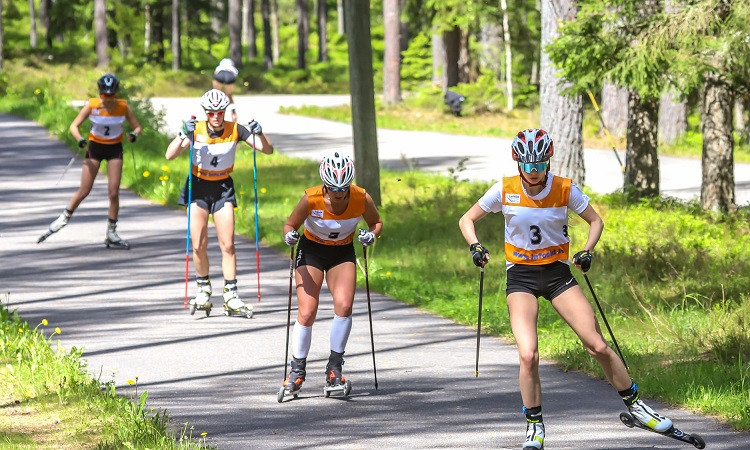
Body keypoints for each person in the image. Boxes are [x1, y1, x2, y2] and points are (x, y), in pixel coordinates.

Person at [458, 128, 672, 450]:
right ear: (518, 163)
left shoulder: (564, 188)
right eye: (527, 166)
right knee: (528, 354)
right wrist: (476, 246)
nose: (533, 172)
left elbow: (595, 221)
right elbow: (467, 220)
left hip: (558, 274)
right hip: (521, 277)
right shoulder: (504, 189)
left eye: (539, 165)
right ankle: (534, 424)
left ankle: (637, 405)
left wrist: (587, 250)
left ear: (548, 161)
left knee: (596, 345)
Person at [279, 151, 383, 396]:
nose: (338, 194)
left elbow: (376, 223)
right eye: (333, 189)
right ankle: (296, 371)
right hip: (311, 251)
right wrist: (289, 236)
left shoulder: (361, 197)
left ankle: (334, 369)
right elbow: (290, 224)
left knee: (345, 306)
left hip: (341, 252)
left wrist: (371, 235)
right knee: (307, 311)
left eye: (343, 189)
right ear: (325, 184)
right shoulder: (311, 198)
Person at [165, 89, 273, 318]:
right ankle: (203, 289)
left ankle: (231, 295)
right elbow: (170, 155)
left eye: (220, 112)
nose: (215, 116)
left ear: (224, 112)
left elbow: (267, 150)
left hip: (223, 188)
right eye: (211, 112)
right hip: (198, 188)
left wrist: (260, 134)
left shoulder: (236, 129)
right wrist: (182, 133)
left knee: (228, 244)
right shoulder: (196, 128)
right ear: (206, 112)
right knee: (198, 244)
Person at [39, 73, 141, 249]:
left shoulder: (123, 107)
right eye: (105, 95)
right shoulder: (92, 105)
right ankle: (64, 218)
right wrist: (79, 138)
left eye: (111, 95)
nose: (108, 99)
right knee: (85, 190)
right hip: (95, 148)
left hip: (114, 149)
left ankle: (111, 231)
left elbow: (137, 126)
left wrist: (134, 134)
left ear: (115, 93)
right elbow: (74, 125)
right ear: (100, 93)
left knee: (114, 192)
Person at [212, 58, 240, 123]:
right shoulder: (233, 69)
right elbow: (235, 76)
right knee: (229, 95)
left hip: (220, 74)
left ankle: (215, 113)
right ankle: (233, 113)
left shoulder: (219, 67)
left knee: (216, 94)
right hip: (230, 75)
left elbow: (216, 73)